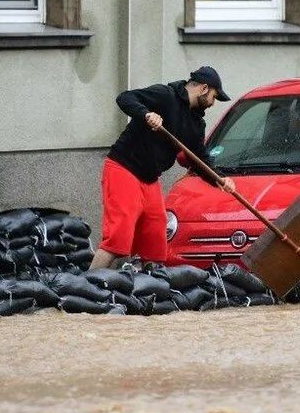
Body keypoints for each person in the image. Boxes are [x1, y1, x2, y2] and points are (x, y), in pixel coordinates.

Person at [90, 66, 237, 269]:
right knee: (118, 237)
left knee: (156, 236)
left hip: (149, 179)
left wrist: (219, 179)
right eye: (214, 96)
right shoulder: (165, 96)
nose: (213, 103)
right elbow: (125, 98)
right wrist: (146, 114)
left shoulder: (196, 124)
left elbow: (199, 159)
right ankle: (87, 286)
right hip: (123, 169)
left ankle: (148, 289)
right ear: (204, 88)